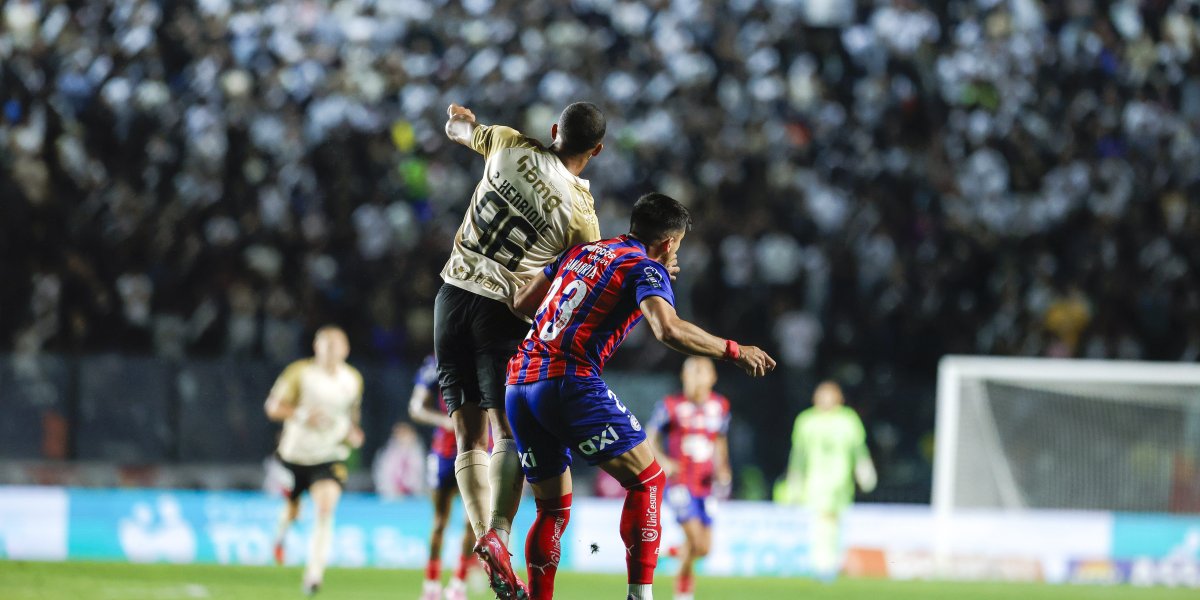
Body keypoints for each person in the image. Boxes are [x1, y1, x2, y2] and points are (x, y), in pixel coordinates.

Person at [505, 193, 776, 600]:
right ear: (668, 243)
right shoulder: (645, 267)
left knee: (552, 509)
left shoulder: (585, 250)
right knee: (648, 478)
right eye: (678, 246)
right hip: (568, 379)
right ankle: (640, 595)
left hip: (519, 382)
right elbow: (668, 330)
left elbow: (523, 301)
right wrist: (735, 351)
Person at [437, 100, 606, 599]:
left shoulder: (509, 143)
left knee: (466, 433)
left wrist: (460, 120)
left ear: (555, 129)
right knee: (507, 432)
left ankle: (482, 537)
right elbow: (579, 282)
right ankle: (498, 532)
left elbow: (458, 129)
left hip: (451, 294)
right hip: (501, 313)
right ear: (595, 151)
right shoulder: (582, 216)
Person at [264, 326, 365, 595]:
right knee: (292, 510)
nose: (332, 350)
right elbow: (272, 407)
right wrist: (301, 414)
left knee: (325, 508)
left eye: (337, 345)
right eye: (326, 345)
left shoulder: (353, 379)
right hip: (295, 454)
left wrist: (353, 433)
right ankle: (281, 534)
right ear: (316, 347)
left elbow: (352, 414)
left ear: (346, 349)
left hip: (329, 455)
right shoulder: (300, 373)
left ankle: (314, 573)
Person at [647, 357, 731, 600]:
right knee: (694, 539)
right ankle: (683, 593)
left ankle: (672, 551)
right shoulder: (670, 405)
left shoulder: (721, 405)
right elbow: (650, 438)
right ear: (684, 377)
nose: (696, 377)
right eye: (692, 372)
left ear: (713, 377)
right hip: (680, 483)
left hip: (707, 485)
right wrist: (664, 462)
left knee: (704, 549)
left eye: (702, 372)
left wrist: (723, 468)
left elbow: (720, 441)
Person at [779, 381, 876, 581]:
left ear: (839, 397)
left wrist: (865, 470)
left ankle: (830, 562)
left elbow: (859, 448)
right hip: (816, 481)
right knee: (821, 520)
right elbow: (799, 454)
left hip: (841, 480)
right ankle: (822, 564)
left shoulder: (848, 419)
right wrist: (794, 478)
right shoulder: (806, 420)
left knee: (834, 520)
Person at [408, 355, 479, 600]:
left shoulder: (487, 356)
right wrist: (445, 421)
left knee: (473, 523)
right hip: (445, 453)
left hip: (479, 451)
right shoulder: (436, 363)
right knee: (440, 521)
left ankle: (458, 584)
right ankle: (431, 584)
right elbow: (416, 408)